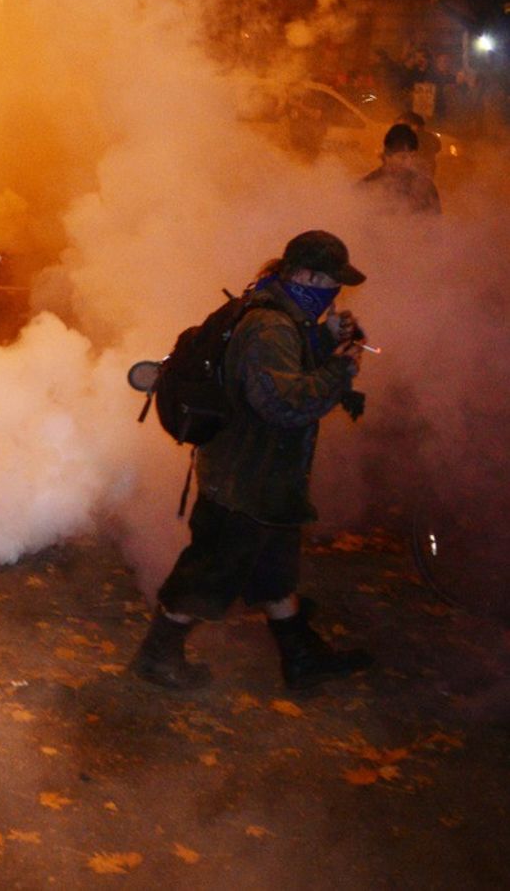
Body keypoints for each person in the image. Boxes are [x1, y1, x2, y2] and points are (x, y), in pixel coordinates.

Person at [131, 230, 375, 691]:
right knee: (207, 577)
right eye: (328, 280)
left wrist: (323, 341)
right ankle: (156, 656)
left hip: (265, 479)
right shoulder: (269, 327)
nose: (333, 292)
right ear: (303, 274)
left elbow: (279, 374)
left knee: (276, 573)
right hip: (244, 482)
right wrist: (339, 370)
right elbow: (281, 403)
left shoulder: (280, 312)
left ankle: (300, 658)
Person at [357, 123, 441, 214]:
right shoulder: (370, 184)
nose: (409, 162)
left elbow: (435, 221)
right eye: (402, 157)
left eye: (412, 157)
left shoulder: (424, 187)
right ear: (387, 156)